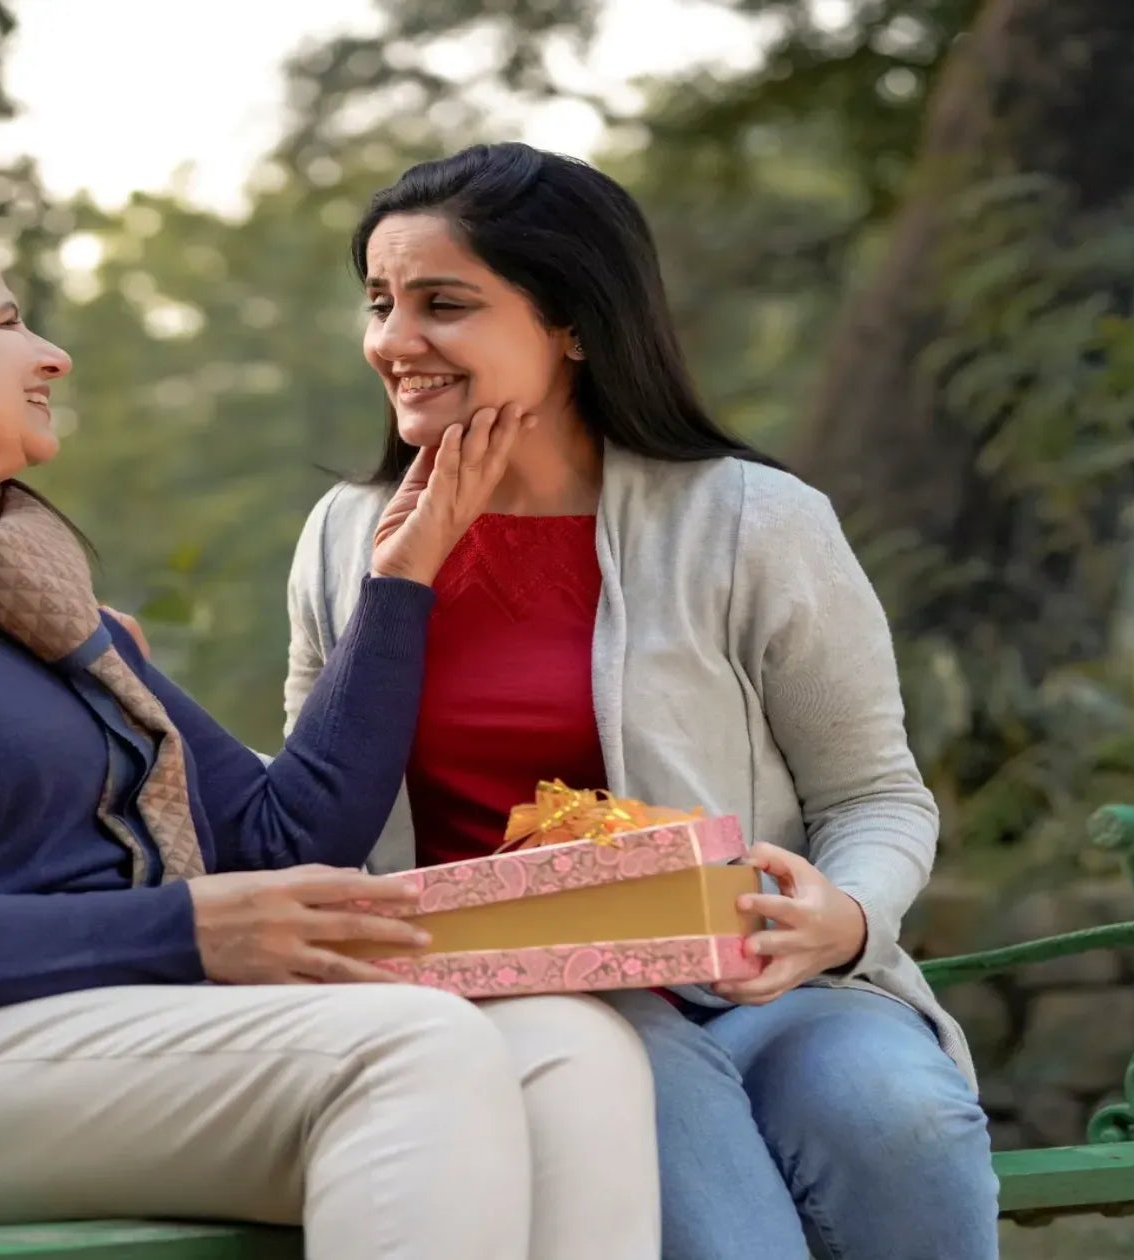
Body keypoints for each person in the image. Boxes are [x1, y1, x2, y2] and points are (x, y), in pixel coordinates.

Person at [0, 206, 661, 1259]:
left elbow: (288, 837)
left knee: (567, 1048)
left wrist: (400, 581)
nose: (51, 355)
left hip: (93, 1037)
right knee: (410, 1045)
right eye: (7, 323)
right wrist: (181, 931)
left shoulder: (32, 601)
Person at [284, 141, 997, 1259]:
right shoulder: (343, 535)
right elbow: (306, 810)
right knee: (726, 1228)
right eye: (380, 303)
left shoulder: (752, 519)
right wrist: (396, 584)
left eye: (442, 304)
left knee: (902, 1122)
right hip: (513, 1000)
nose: (393, 340)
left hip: (765, 982)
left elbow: (873, 794)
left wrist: (846, 918)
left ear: (571, 321)